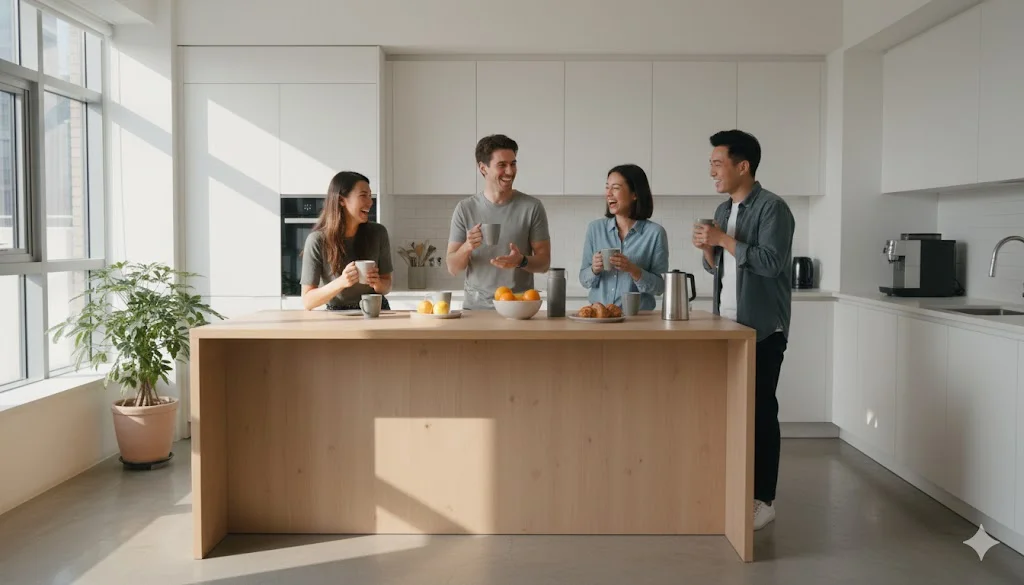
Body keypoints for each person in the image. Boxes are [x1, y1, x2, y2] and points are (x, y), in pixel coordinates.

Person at [692, 129, 795, 531]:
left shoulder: (774, 209)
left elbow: (770, 262)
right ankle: (736, 486)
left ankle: (763, 500)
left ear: (742, 166)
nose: (712, 172)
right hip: (729, 324)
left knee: (761, 411)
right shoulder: (722, 211)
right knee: (734, 409)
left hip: (763, 327)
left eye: (718, 164)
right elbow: (722, 269)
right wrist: (708, 251)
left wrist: (723, 239)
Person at [446, 134, 551, 309]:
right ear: (483, 168)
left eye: (513, 164)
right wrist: (467, 246)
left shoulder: (532, 207)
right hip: (476, 310)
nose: (510, 171)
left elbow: (544, 263)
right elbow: (453, 268)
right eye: (502, 165)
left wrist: (521, 261)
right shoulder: (465, 209)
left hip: (518, 309)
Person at [579, 164, 668, 310]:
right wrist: (594, 269)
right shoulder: (595, 229)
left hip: (638, 322)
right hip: (600, 318)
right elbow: (584, 279)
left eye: (615, 188)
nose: (608, 193)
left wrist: (633, 270)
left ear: (635, 194)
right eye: (607, 187)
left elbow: (659, 287)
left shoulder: (655, 233)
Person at [300, 171, 393, 311]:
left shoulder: (378, 233)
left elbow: (387, 286)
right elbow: (308, 301)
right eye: (363, 195)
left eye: (370, 196)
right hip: (338, 315)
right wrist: (341, 282)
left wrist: (377, 282)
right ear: (341, 200)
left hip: (376, 311)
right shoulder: (317, 240)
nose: (370, 202)